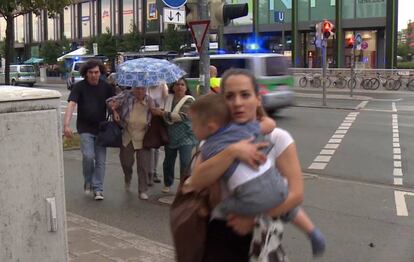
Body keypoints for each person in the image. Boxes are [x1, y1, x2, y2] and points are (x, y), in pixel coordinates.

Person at [186, 68, 318, 261]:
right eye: (230, 96)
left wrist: (253, 217)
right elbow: (196, 182)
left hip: (261, 237)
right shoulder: (213, 140)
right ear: (222, 102)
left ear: (258, 99)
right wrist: (232, 152)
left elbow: (296, 194)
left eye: (245, 95)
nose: (237, 102)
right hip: (220, 237)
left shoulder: (278, 137)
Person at [63, 59, 115, 201]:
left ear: (101, 73)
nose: (94, 75)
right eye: (90, 72)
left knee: (100, 161)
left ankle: (98, 189)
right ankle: (88, 180)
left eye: (96, 72)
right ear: (86, 73)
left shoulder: (106, 87)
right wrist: (66, 124)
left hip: (101, 129)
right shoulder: (79, 87)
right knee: (88, 156)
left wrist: (114, 108)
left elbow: (112, 104)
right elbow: (71, 104)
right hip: (85, 128)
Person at [106, 87, 155, 200]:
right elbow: (108, 101)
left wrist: (154, 109)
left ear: (145, 90)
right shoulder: (127, 96)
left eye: (142, 89)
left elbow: (157, 114)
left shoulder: (150, 101)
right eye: (136, 89)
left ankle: (142, 190)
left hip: (144, 137)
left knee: (143, 165)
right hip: (127, 135)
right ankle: (127, 177)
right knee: (126, 163)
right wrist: (114, 108)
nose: (139, 91)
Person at [150, 78, 197, 193]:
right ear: (173, 87)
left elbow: (181, 116)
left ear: (186, 88)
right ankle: (167, 183)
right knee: (168, 162)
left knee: (185, 163)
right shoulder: (168, 99)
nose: (179, 87)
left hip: (186, 136)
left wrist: (161, 113)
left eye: (182, 85)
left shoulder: (189, 100)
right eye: (177, 84)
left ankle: (184, 185)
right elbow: (161, 109)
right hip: (170, 136)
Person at [147, 82, 169, 184]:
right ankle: (150, 173)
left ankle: (154, 172)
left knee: (156, 148)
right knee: (150, 147)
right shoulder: (146, 86)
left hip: (158, 119)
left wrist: (164, 88)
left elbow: (166, 100)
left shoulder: (162, 85)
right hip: (147, 119)